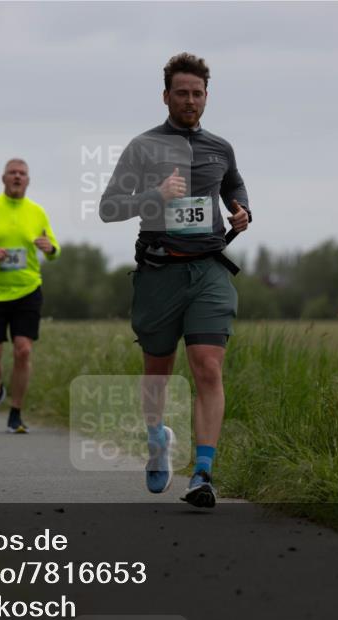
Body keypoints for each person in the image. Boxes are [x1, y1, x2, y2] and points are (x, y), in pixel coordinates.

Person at [99, 53, 252, 508]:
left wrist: (242, 210)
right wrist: (156, 195)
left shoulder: (220, 148)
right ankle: (157, 439)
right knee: (158, 372)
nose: (190, 100)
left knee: (207, 366)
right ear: (165, 96)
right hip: (159, 271)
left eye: (197, 93)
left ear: (207, 96)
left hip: (208, 269)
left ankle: (203, 473)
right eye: (181, 93)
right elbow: (109, 207)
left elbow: (234, 185)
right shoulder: (143, 146)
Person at [0, 158, 60, 433]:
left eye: (22, 173)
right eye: (12, 173)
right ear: (3, 178)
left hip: (27, 289)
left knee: (23, 350)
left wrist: (50, 248)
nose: (17, 177)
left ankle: (16, 412)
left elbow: (54, 249)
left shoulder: (37, 212)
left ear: (28, 180)